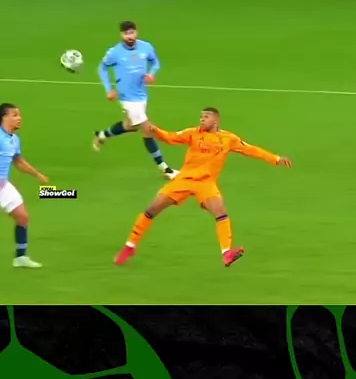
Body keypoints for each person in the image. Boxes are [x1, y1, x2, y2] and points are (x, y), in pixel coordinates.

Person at [114, 107, 292, 267]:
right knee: (152, 209)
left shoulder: (229, 139)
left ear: (215, 120)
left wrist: (275, 159)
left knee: (220, 212)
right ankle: (130, 246)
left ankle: (226, 253)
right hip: (183, 180)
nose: (202, 119)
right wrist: (154, 129)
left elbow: (252, 150)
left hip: (206, 183)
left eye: (206, 116)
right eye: (201, 116)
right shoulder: (192, 133)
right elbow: (170, 137)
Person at [93, 21, 178, 179]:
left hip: (141, 95)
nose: (129, 36)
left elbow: (156, 62)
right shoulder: (114, 52)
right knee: (147, 130)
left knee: (130, 125)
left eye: (132, 33)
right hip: (127, 97)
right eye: (126, 33)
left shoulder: (146, 47)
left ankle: (102, 135)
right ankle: (165, 169)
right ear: (121, 35)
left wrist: (151, 74)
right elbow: (102, 68)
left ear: (136, 32)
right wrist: (109, 89)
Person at [0, 103, 48, 268]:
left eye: (19, 115)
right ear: (4, 117)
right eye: (14, 115)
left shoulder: (14, 139)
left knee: (22, 217)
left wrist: (37, 174)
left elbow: (18, 162)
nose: (19, 118)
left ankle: (20, 257)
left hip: (3, 185)